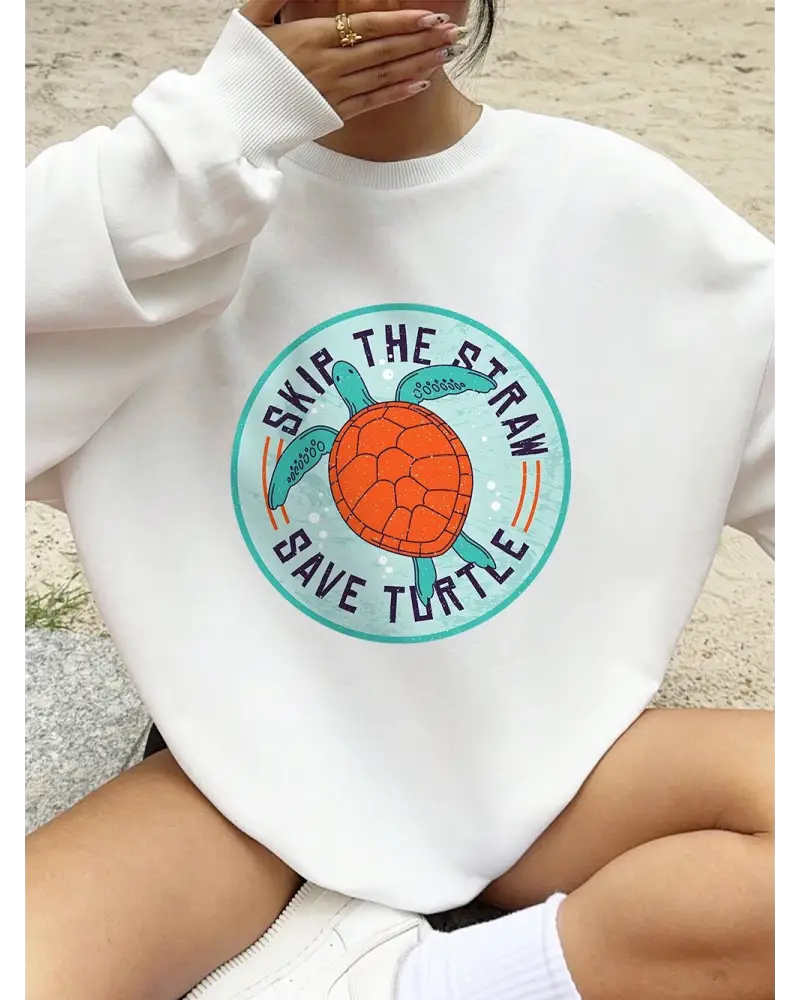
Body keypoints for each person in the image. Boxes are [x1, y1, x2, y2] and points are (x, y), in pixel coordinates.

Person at [24, 1, 775, 999]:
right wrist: (221, 126)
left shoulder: (629, 218)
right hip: (236, 792)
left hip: (553, 778)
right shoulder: (167, 211)